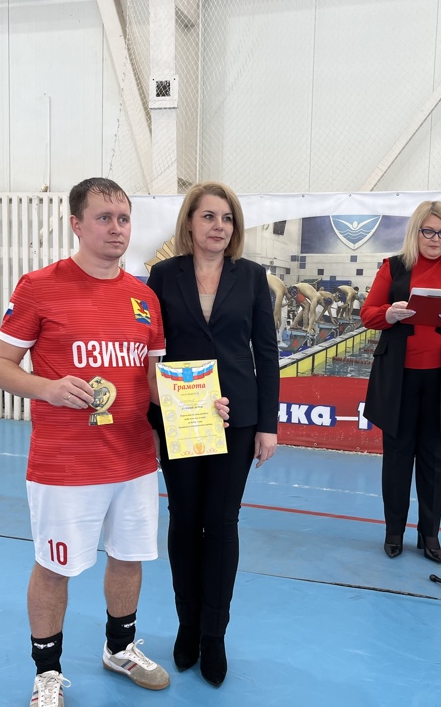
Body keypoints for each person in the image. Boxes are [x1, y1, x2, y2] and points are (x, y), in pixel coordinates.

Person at [0, 178, 171, 707]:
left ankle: (120, 649)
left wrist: (197, 406)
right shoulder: (38, 287)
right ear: (76, 224)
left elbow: (152, 380)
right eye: (104, 218)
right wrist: (47, 388)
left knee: (129, 557)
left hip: (134, 459)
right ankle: (47, 673)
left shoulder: (144, 298)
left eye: (123, 218)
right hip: (65, 464)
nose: (116, 228)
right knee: (55, 567)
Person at [146, 181, 279, 687]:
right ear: (189, 222)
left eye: (227, 218)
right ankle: (187, 624)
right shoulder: (163, 276)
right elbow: (151, 350)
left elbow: (266, 353)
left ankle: (214, 634)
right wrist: (155, 414)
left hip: (237, 419)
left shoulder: (252, 277)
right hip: (180, 418)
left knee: (221, 524)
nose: (219, 226)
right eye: (208, 216)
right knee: (184, 521)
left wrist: (267, 424)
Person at [360, 201, 441, 564]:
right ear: (415, 231)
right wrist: (389, 313)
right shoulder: (393, 267)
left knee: (435, 460)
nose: (435, 239)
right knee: (397, 458)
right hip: (398, 378)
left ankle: (429, 534)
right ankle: (394, 532)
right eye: (428, 231)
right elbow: (368, 314)